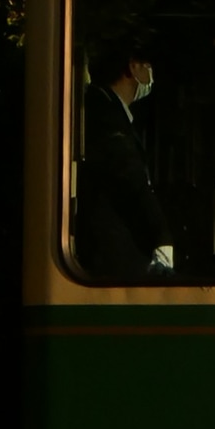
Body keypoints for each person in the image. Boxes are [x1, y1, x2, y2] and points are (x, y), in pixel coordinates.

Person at [77, 46, 174, 280]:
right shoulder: (105, 115)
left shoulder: (110, 111)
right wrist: (160, 238)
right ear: (132, 67)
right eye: (147, 66)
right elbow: (129, 177)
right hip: (109, 251)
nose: (151, 75)